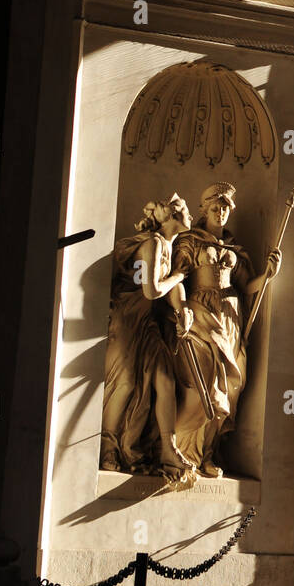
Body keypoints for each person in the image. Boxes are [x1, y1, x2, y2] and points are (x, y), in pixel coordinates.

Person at [170, 183, 281, 477]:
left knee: (230, 388)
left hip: (231, 317)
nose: (221, 213)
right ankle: (178, 447)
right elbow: (179, 277)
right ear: (204, 208)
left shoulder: (234, 249)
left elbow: (247, 287)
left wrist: (268, 275)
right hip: (200, 313)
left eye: (225, 208)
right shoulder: (189, 241)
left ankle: (207, 454)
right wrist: (182, 310)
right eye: (215, 207)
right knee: (203, 385)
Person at [101, 194, 194, 480]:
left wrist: (183, 311)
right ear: (173, 216)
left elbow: (172, 294)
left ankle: (169, 447)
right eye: (187, 211)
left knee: (165, 380)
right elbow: (152, 291)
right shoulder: (152, 243)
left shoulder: (169, 246)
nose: (191, 217)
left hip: (147, 322)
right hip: (128, 319)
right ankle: (108, 446)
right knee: (126, 381)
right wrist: (179, 277)